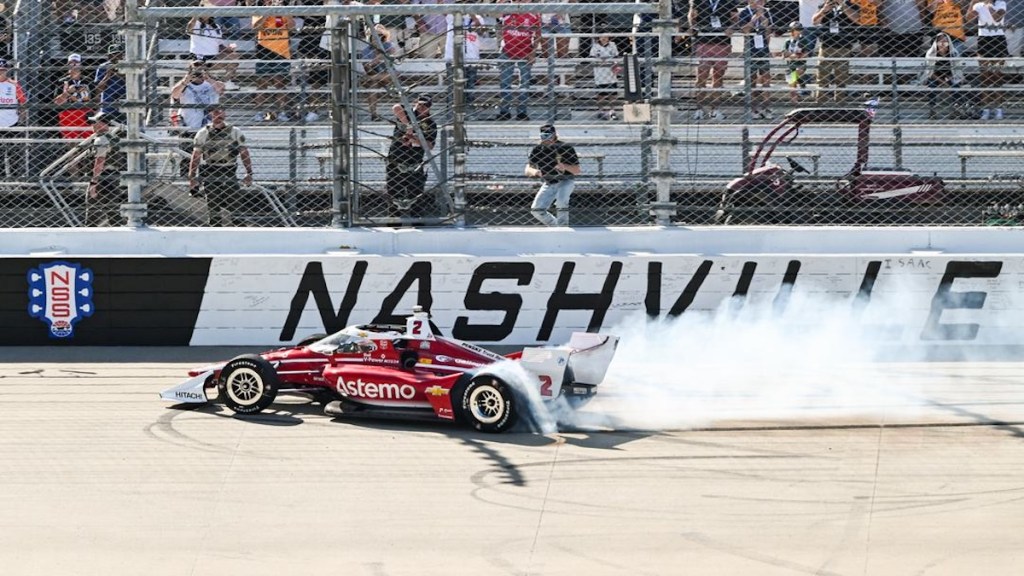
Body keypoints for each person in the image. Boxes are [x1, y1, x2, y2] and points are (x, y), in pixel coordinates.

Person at [188, 104, 254, 226]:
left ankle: (239, 226)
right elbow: (196, 156)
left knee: (235, 200)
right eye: (215, 112)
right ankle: (215, 225)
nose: (218, 115)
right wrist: (192, 177)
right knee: (212, 202)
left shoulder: (235, 132)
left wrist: (249, 172)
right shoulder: (203, 133)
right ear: (210, 115)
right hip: (211, 170)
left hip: (229, 169)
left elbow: (244, 152)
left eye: (221, 112)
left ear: (225, 113)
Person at [386, 95, 438, 220]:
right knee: (394, 189)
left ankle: (416, 218)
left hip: (415, 159)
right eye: (420, 104)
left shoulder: (430, 123)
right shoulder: (408, 114)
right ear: (415, 103)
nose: (421, 107)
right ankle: (394, 218)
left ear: (429, 107)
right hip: (397, 157)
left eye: (425, 106)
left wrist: (414, 139)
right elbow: (396, 107)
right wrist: (408, 127)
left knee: (416, 191)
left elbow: (430, 145)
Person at [688, 0, 739, 120]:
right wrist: (693, 27)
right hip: (704, 41)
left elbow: (735, 18)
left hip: (722, 42)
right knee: (702, 76)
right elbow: (692, 16)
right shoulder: (698, 1)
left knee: (718, 77)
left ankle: (715, 110)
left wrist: (731, 28)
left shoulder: (728, 1)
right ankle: (699, 109)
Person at [525, 124, 580, 226]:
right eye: (544, 136)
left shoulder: (565, 147)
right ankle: (556, 226)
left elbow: (577, 170)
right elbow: (528, 169)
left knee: (561, 203)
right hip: (549, 182)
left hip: (565, 180)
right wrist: (536, 172)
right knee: (536, 210)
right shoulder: (538, 149)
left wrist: (565, 167)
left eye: (549, 136)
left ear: (554, 135)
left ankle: (563, 227)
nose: (547, 139)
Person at [496, 5, 541, 121]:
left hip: (525, 52)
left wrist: (533, 52)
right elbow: (494, 14)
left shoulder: (534, 14)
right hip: (507, 50)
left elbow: (538, 35)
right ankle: (504, 111)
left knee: (524, 84)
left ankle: (522, 112)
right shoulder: (507, 11)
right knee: (505, 83)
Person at [252, 6, 295, 122]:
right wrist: (267, 12)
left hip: (282, 52)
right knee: (262, 84)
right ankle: (259, 112)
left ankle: (281, 112)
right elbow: (256, 27)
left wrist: (283, 12)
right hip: (264, 51)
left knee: (280, 83)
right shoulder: (259, 11)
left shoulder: (284, 10)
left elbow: (292, 27)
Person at [813, 0, 859, 103]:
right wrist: (823, 11)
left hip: (844, 46)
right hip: (826, 46)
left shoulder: (851, 5)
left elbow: (856, 19)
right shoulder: (825, 5)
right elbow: (815, 21)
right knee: (822, 76)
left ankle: (840, 102)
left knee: (841, 77)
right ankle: (820, 101)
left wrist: (843, 6)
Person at [968, 0, 1007, 120]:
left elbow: (997, 18)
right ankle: (986, 109)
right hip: (984, 39)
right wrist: (972, 3)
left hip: (998, 39)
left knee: (997, 76)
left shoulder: (1000, 3)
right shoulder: (978, 5)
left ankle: (998, 109)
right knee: (985, 77)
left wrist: (989, 6)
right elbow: (969, 19)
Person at [85, 111, 125, 226]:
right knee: (112, 212)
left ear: (103, 123)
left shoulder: (101, 139)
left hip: (102, 178)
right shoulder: (112, 137)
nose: (92, 125)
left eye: (95, 122)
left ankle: (90, 233)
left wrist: (94, 183)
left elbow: (100, 162)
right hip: (113, 176)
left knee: (92, 212)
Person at [737, 0, 775, 119]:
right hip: (751, 49)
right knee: (752, 80)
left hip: (763, 49)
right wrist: (755, 18)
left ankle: (766, 108)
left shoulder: (766, 12)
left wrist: (763, 19)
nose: (760, 3)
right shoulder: (744, 12)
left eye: (762, 1)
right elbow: (745, 30)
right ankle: (753, 109)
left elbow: (768, 31)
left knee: (766, 79)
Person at [918, 32, 966, 118]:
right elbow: (930, 72)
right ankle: (932, 109)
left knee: (955, 85)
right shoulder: (931, 53)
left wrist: (949, 79)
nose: (943, 44)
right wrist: (943, 82)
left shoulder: (953, 53)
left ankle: (956, 108)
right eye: (940, 41)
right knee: (932, 85)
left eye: (945, 41)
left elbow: (956, 70)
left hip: (949, 76)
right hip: (934, 77)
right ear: (936, 43)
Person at [187, 15, 239, 90]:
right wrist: (195, 16)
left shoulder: (216, 27)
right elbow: (188, 30)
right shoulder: (195, 23)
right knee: (199, 70)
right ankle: (207, 80)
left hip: (213, 58)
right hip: (199, 58)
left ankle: (227, 82)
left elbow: (219, 45)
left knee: (234, 56)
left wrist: (228, 49)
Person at [444, 11, 485, 106]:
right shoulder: (452, 16)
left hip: (471, 58)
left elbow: (481, 31)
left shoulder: (478, 18)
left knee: (470, 87)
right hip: (453, 57)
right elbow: (442, 9)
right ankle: (452, 109)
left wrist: (472, 15)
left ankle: (469, 109)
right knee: (453, 87)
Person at [360, 23, 398, 121]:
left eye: (380, 35)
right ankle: (374, 114)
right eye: (373, 36)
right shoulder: (366, 50)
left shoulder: (388, 45)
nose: (376, 38)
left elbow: (392, 52)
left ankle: (373, 79)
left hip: (389, 75)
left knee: (390, 75)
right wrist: (371, 65)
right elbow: (367, 69)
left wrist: (379, 57)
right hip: (375, 75)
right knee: (373, 85)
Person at [53, 53, 92, 145]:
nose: (74, 65)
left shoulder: (88, 80)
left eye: (76, 62)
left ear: (81, 65)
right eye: (71, 62)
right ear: (67, 65)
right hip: (68, 114)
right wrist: (67, 92)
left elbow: (96, 98)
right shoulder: (62, 81)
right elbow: (57, 102)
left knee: (88, 142)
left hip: (85, 113)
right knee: (71, 143)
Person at [0, 57, 25, 179]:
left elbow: (23, 103)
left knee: (13, 154)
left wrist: (22, 118)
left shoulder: (14, 84)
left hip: (12, 123)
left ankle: (14, 179)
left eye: (3, 70)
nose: (1, 72)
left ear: (7, 70)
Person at [782, 22, 814, 102]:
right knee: (792, 85)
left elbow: (806, 53)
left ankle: (801, 84)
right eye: (796, 29)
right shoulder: (788, 41)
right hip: (790, 65)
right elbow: (785, 54)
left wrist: (795, 55)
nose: (798, 31)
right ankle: (795, 98)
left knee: (794, 76)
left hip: (800, 64)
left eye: (799, 29)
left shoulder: (803, 40)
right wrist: (793, 55)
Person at [590, 35, 620, 120]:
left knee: (612, 93)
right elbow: (592, 57)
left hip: (610, 73)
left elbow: (616, 56)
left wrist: (614, 63)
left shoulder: (612, 45)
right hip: (600, 73)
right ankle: (601, 111)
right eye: (602, 37)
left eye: (606, 36)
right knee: (600, 94)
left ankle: (612, 111)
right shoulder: (595, 46)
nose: (604, 38)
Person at [94, 43, 125, 116]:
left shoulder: (126, 66)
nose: (117, 57)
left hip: (124, 101)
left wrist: (120, 74)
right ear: (109, 56)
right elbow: (98, 89)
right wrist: (108, 74)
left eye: (119, 54)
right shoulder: (103, 67)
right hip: (108, 104)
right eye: (114, 54)